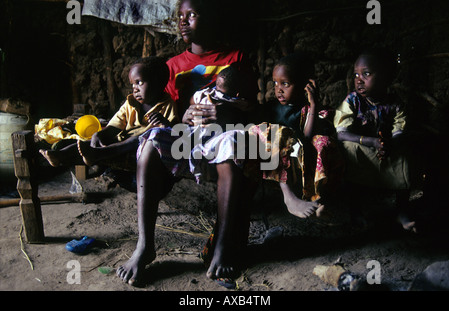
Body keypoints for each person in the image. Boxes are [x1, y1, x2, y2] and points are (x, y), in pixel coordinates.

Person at [116, 0, 258, 287]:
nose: (183, 21)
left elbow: (253, 107)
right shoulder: (173, 66)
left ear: (211, 19)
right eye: (180, 16)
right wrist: (185, 113)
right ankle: (145, 246)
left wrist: (226, 112)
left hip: (224, 133)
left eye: (191, 15)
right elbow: (168, 112)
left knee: (232, 147)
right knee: (150, 141)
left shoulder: (237, 58)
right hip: (186, 136)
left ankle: (222, 246)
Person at [245, 53, 344, 218]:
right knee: (275, 132)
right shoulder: (270, 108)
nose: (278, 89)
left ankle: (316, 199)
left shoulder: (306, 110)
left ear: (305, 85)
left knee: (323, 141)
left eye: (285, 84)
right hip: (273, 157)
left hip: (298, 158)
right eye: (275, 83)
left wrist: (313, 104)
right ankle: (289, 197)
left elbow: (308, 137)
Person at [39, 57, 178, 170]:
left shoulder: (167, 105)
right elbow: (115, 125)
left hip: (141, 148)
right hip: (120, 141)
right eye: (132, 84)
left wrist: (164, 123)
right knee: (88, 142)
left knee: (137, 139)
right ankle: (60, 155)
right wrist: (99, 135)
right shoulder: (130, 103)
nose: (135, 89)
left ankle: (99, 154)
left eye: (139, 82)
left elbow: (172, 132)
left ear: (159, 83)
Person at [333, 48, 415, 231]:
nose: (359, 80)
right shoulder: (353, 101)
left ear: (385, 77)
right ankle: (356, 212)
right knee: (348, 148)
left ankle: (401, 211)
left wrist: (389, 144)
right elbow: (341, 132)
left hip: (387, 149)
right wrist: (371, 142)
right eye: (356, 75)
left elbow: (400, 130)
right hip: (364, 148)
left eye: (366, 74)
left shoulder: (395, 103)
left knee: (405, 155)